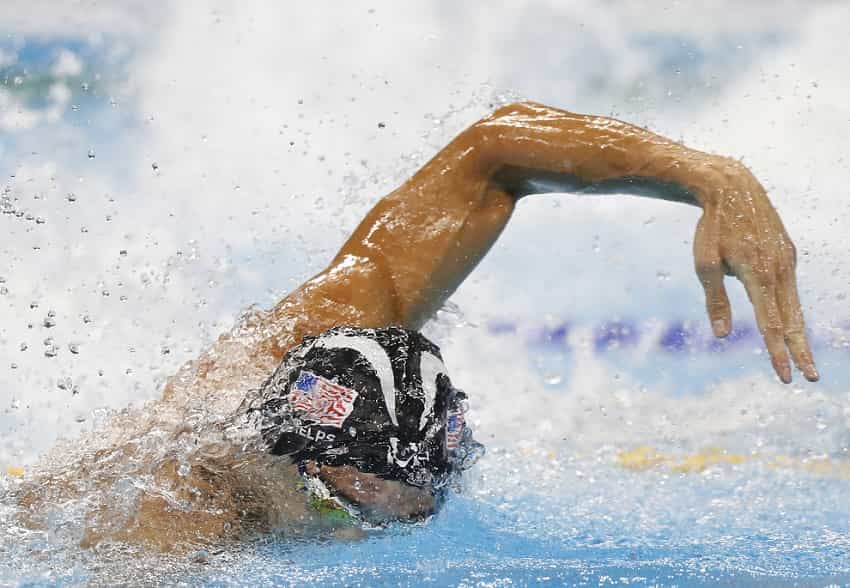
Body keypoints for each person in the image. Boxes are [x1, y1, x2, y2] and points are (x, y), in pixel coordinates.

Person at [15, 101, 819, 550]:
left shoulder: (340, 322)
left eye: (420, 508)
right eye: (347, 512)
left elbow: (494, 150)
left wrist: (716, 177)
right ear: (279, 460)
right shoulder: (171, 523)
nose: (377, 536)